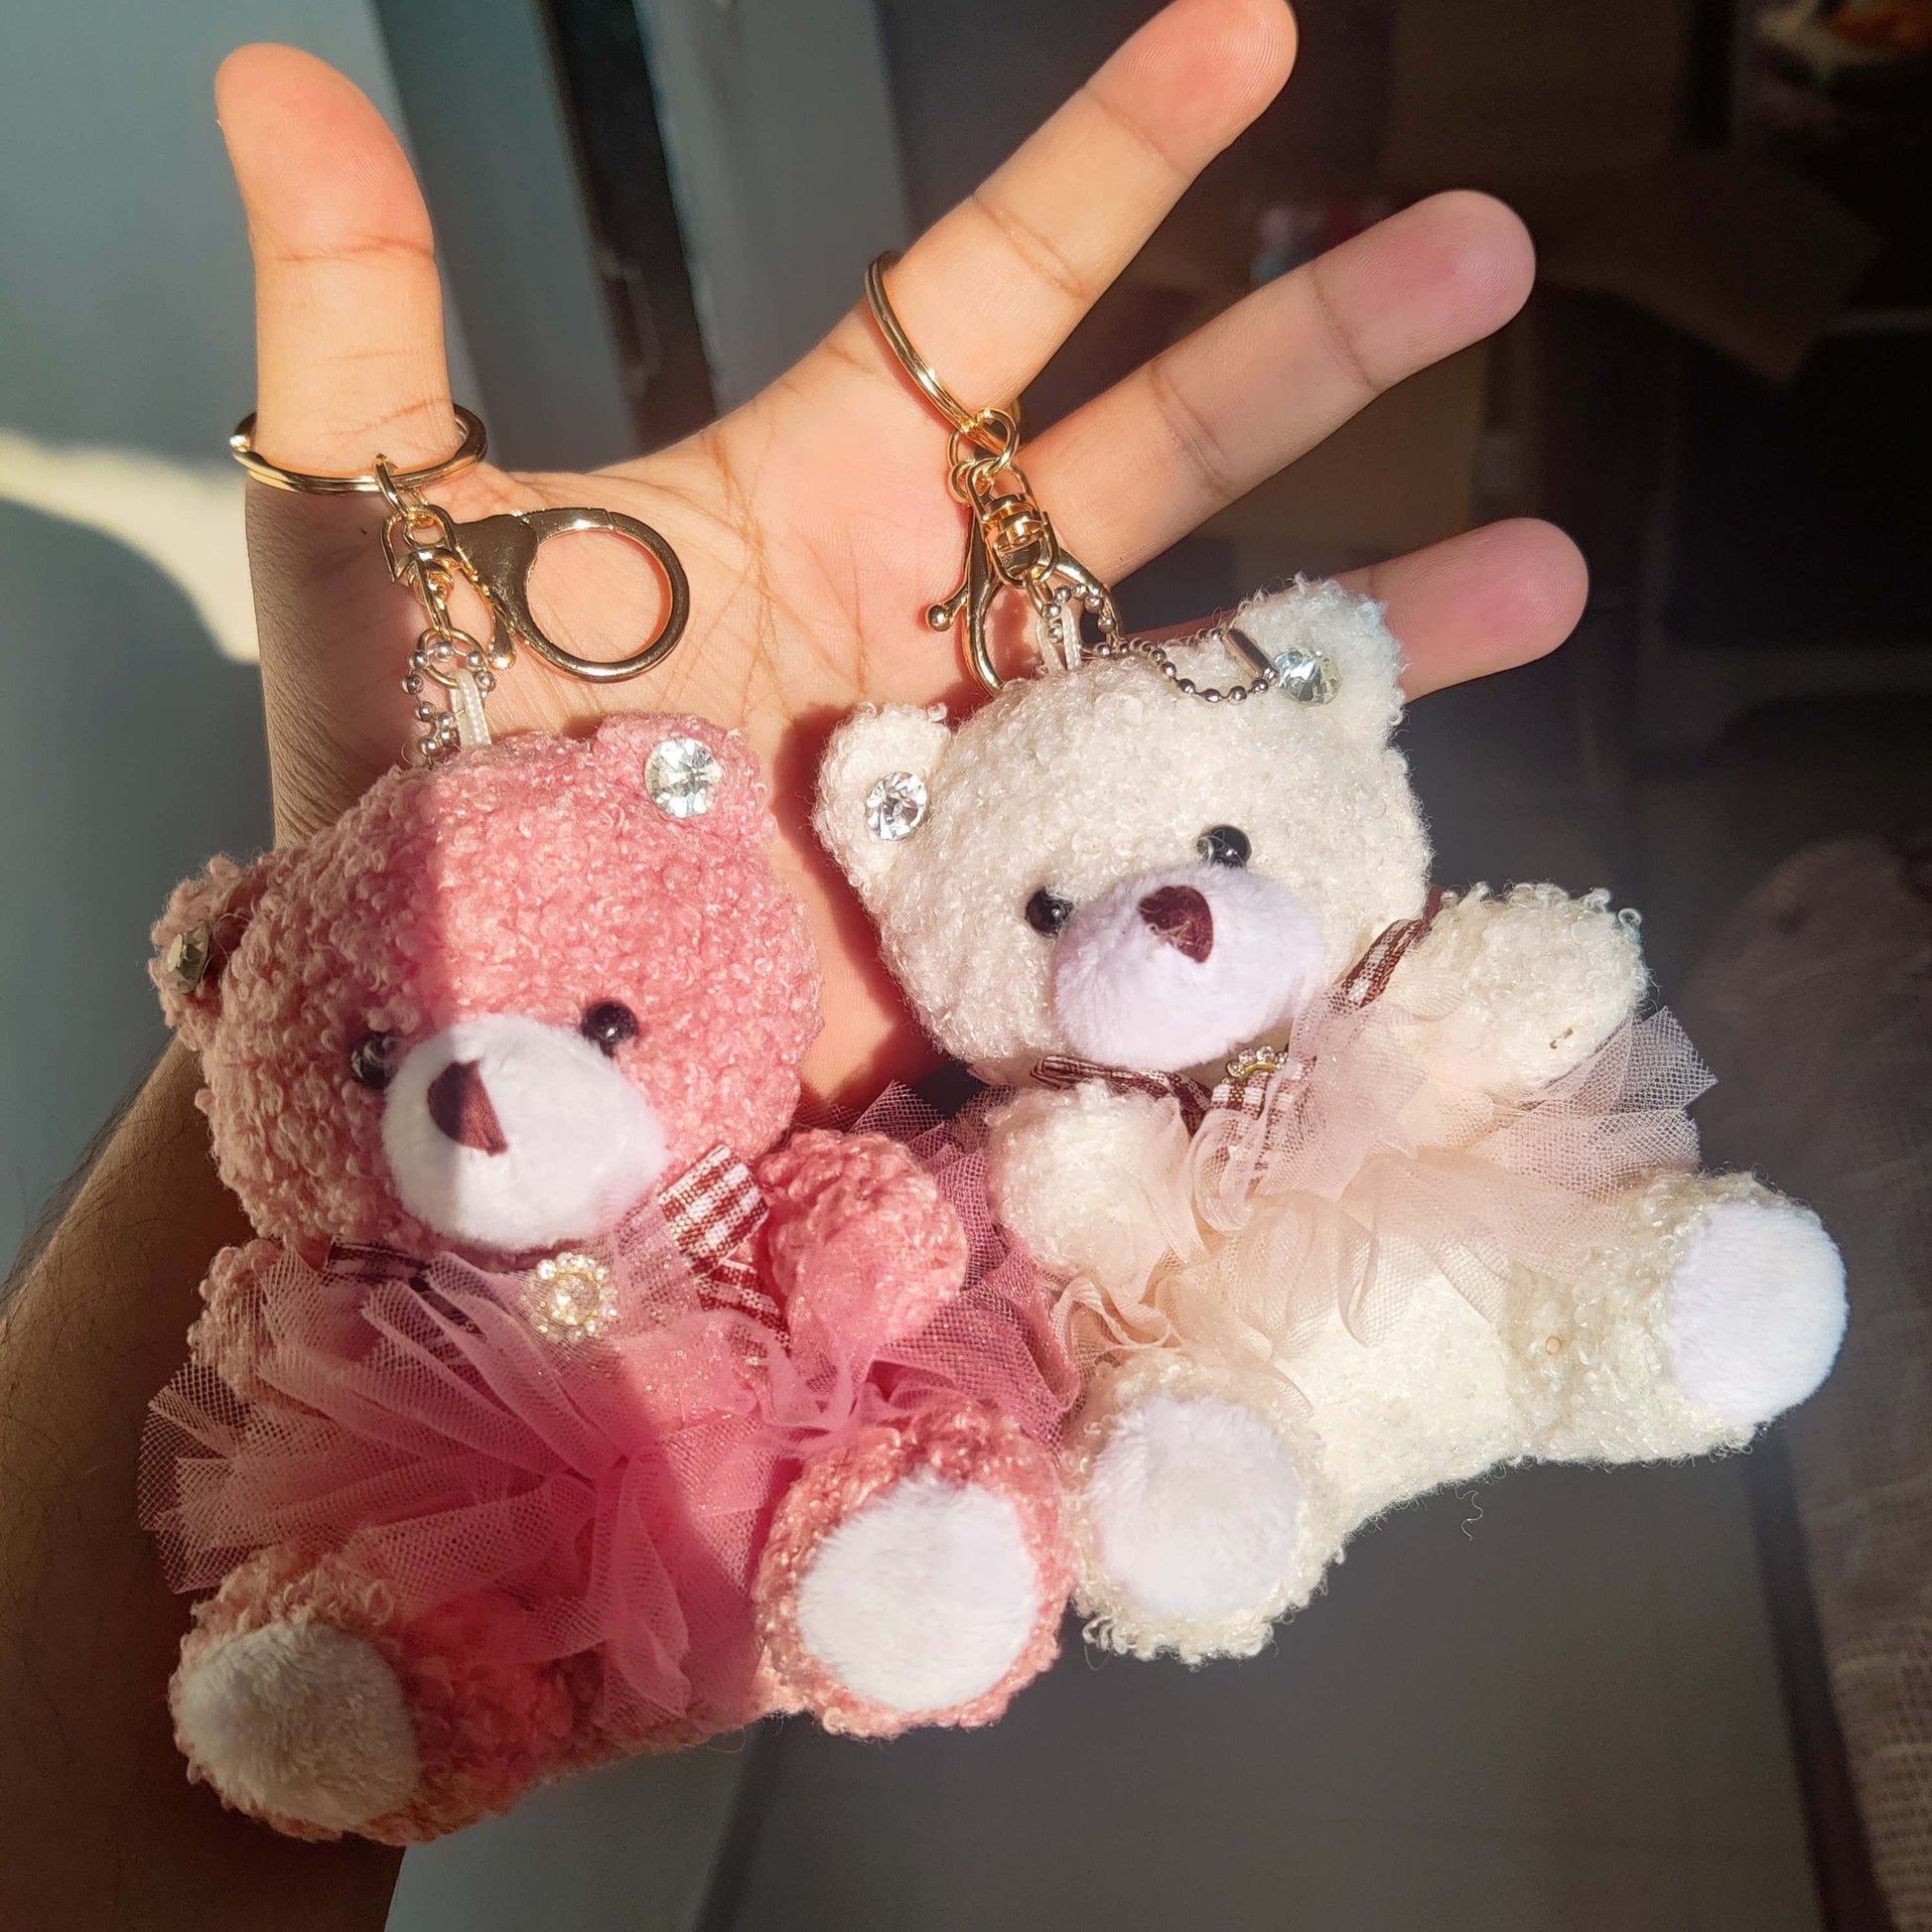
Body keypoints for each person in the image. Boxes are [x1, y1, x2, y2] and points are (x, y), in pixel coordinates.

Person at [0, 3, 1586, 1925]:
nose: (489, 1092)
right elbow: (255, 1333)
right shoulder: (345, 1310)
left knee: (985, 1406)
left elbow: (883, 1227)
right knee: (385, 1645)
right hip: (471, 1478)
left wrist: (876, 1222)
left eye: (597, 1018)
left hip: (820, 1382)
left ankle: (908, 1546)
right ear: (230, 973)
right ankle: (390, 1684)